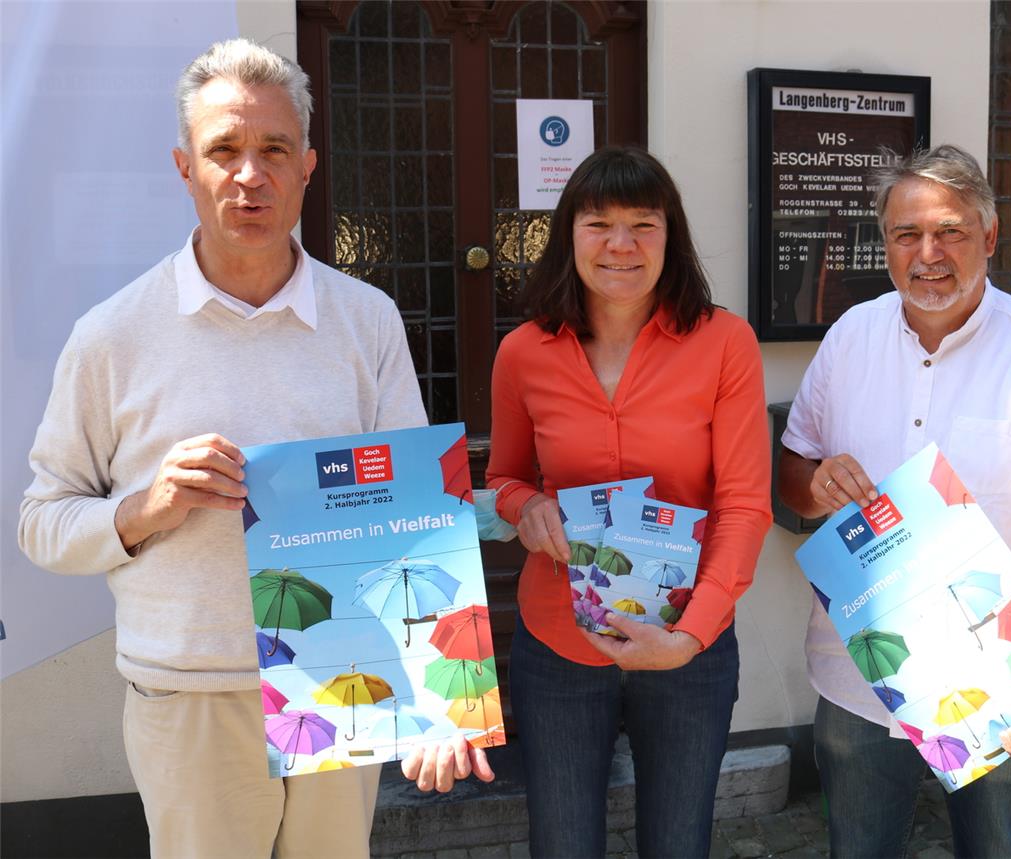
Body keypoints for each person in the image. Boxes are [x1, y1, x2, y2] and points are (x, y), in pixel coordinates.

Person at [17, 38, 455, 859]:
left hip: (338, 673)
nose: (249, 174)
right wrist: (146, 508)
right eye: (224, 149)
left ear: (308, 166)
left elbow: (414, 516)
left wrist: (437, 700)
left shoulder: (368, 321)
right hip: (192, 694)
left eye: (273, 149)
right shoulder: (111, 335)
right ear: (185, 166)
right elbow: (41, 522)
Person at [777, 144, 1011, 858]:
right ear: (885, 245)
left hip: (1000, 679)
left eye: (951, 232)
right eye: (907, 234)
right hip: (859, 679)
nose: (927, 254)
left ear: (989, 237)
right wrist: (812, 484)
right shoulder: (850, 338)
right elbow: (792, 471)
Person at [454, 145, 771, 857]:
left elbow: (747, 502)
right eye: (599, 223)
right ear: (569, 233)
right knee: (562, 842)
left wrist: (692, 633)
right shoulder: (525, 352)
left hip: (688, 637)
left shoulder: (725, 343)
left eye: (642, 223)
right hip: (559, 638)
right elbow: (504, 474)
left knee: (678, 842)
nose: (621, 244)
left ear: (671, 235)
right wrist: (522, 505)